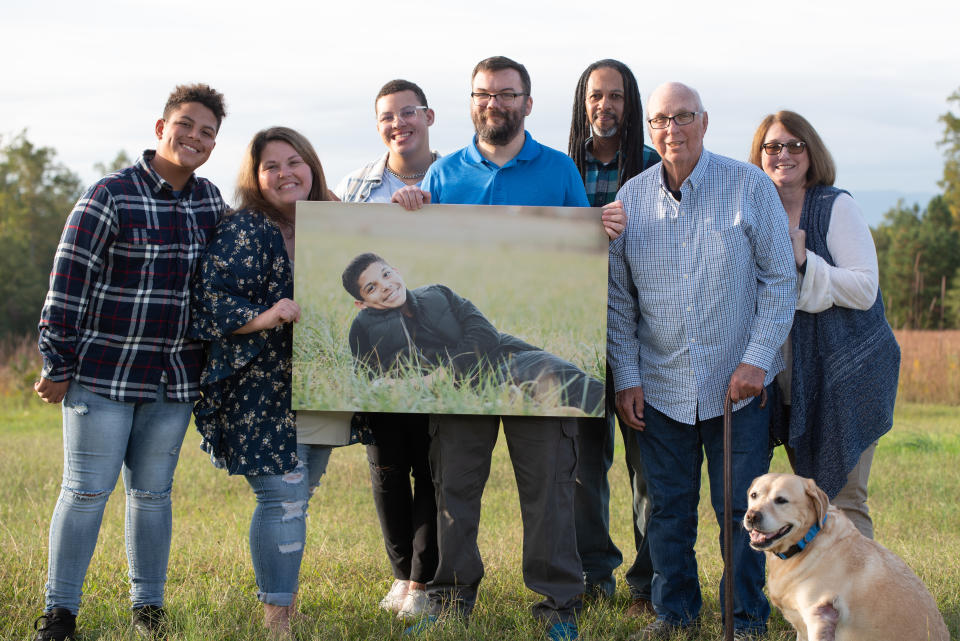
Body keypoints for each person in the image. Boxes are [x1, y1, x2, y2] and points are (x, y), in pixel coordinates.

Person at [394, 56, 622, 641]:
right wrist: (411, 210)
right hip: (463, 358)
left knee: (548, 484)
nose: (493, 102)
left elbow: (581, 255)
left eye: (505, 93)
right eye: (483, 93)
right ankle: (451, 597)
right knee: (456, 482)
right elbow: (425, 271)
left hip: (531, 345)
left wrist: (603, 228)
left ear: (526, 101)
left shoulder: (557, 170)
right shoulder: (445, 174)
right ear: (471, 102)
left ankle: (557, 605)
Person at [32, 83, 228, 641]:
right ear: (160, 128)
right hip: (102, 377)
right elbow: (68, 282)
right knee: (86, 492)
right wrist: (58, 361)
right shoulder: (109, 195)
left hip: (173, 381)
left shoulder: (210, 202)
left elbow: (249, 255)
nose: (194, 137)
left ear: (215, 144)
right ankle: (59, 613)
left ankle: (148, 610)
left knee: (152, 494)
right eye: (185, 125)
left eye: (207, 131)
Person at [608, 82, 796, 640]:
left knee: (743, 514)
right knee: (666, 511)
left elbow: (779, 282)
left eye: (683, 117)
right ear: (650, 129)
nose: (672, 129)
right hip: (660, 386)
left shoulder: (749, 186)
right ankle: (674, 615)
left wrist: (757, 361)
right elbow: (620, 300)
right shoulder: (632, 198)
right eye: (661, 120)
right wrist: (629, 377)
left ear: (706, 122)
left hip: (737, 387)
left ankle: (744, 620)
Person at [189, 126, 351, 639]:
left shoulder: (340, 221)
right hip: (260, 385)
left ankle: (286, 602)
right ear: (255, 178)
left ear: (312, 165)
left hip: (325, 380)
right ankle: (276, 621)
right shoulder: (245, 229)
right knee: (282, 496)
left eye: (294, 161)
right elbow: (210, 300)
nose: (284, 173)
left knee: (300, 495)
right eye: (270, 166)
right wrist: (266, 316)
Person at [749, 110, 900, 539]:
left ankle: (864, 599)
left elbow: (864, 288)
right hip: (791, 385)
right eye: (773, 146)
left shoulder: (836, 206)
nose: (784, 154)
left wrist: (804, 261)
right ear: (759, 156)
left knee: (845, 502)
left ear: (811, 153)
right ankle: (821, 598)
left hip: (848, 377)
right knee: (808, 502)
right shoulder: (757, 213)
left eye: (795, 145)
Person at [333, 79, 440, 619]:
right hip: (381, 353)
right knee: (387, 469)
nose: (398, 124)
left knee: (434, 467)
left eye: (408, 113)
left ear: (429, 116)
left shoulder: (455, 176)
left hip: (432, 343)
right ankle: (401, 576)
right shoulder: (356, 184)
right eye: (387, 117)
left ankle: (424, 581)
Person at [566, 58, 661, 615]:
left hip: (640, 337)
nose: (606, 106)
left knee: (647, 467)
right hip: (575, 335)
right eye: (597, 96)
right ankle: (592, 574)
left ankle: (647, 583)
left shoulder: (650, 166)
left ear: (632, 105)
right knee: (582, 468)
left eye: (617, 97)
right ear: (583, 102)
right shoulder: (561, 170)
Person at [341, 252, 605, 414]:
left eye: (386, 274)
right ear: (361, 303)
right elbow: (367, 383)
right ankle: (529, 405)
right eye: (372, 288)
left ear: (396, 271)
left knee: (578, 385)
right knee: (497, 397)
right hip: (465, 390)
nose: (386, 286)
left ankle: (549, 405)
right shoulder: (363, 330)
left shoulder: (438, 293)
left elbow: (486, 334)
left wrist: (436, 377)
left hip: (503, 359)